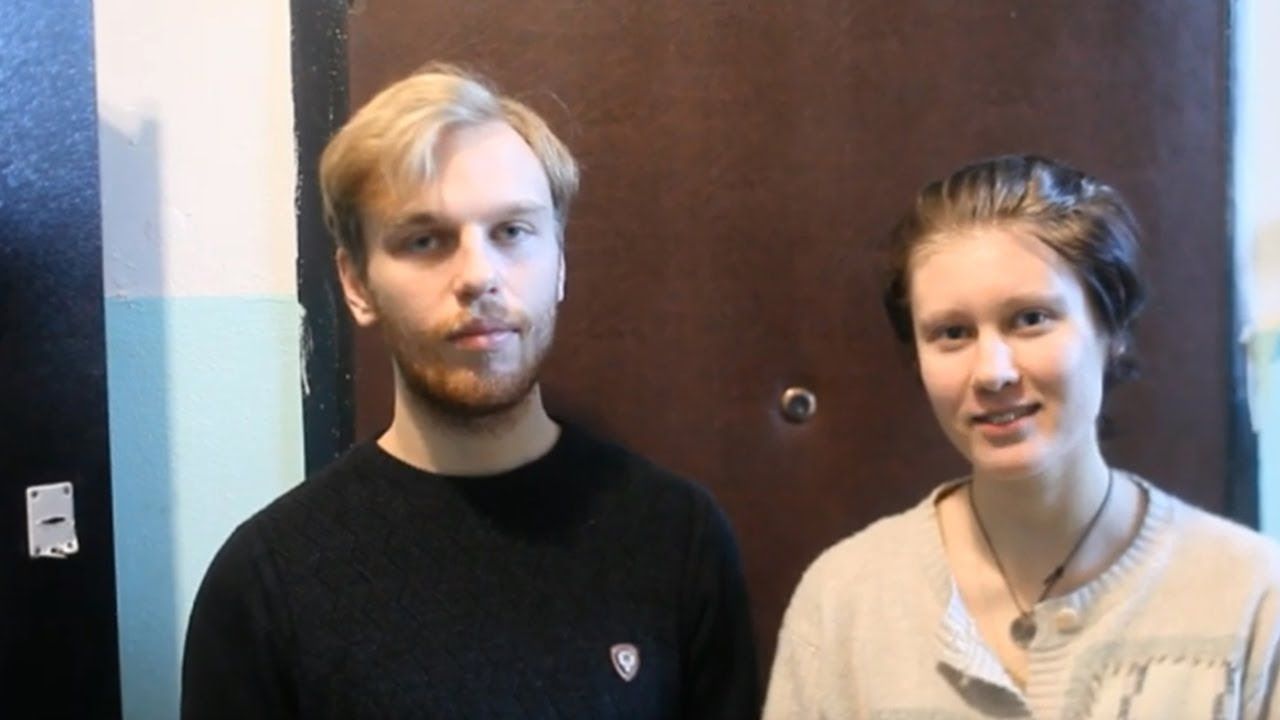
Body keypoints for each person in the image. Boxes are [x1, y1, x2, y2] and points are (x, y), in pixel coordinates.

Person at [181, 63, 759, 719]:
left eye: (512, 232)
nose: (479, 275)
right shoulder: (268, 582)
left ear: (560, 262)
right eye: (425, 240)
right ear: (357, 285)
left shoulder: (676, 538)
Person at [763, 154, 1280, 718]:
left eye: (1031, 319)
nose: (993, 373)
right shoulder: (844, 602)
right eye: (952, 333)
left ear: (1111, 330)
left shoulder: (1253, 597)